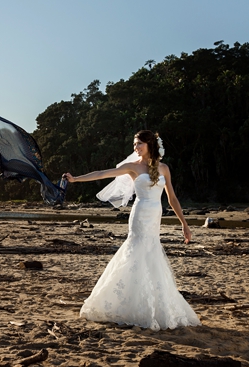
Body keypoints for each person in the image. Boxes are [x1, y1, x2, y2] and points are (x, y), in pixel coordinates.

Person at [63, 130, 200, 330]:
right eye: (134, 144)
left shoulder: (164, 168)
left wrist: (184, 224)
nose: (135, 148)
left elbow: (172, 198)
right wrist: (76, 179)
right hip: (140, 213)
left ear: (150, 144)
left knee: (152, 254)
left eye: (139, 144)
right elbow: (103, 173)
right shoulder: (132, 167)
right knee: (135, 251)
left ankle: (153, 304)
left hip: (155, 215)